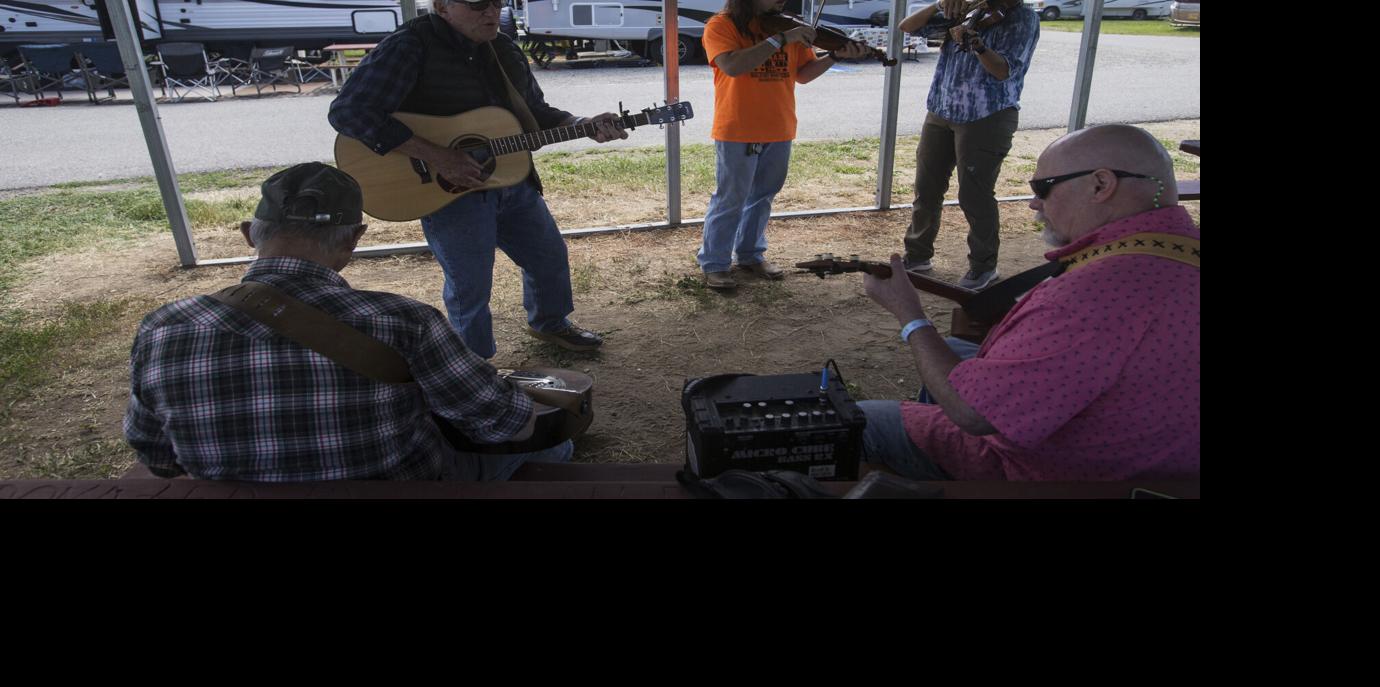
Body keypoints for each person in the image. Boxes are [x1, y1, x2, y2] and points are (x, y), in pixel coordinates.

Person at [124, 163, 574, 482]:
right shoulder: (404, 321)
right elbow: (503, 422)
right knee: (555, 447)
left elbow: (157, 456)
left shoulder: (163, 327)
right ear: (355, 239)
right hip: (400, 484)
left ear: (249, 234)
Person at [855, 124, 1199, 481]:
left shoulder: (1095, 295)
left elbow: (972, 412)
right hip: (1164, 451)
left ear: (1101, 184)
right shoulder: (1178, 250)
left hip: (1063, 472)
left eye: (1043, 188)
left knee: (859, 422)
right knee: (956, 347)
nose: (1035, 202)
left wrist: (910, 316)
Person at [328, 0, 627, 358]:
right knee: (470, 284)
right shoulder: (409, 46)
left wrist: (581, 125)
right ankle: (473, 361)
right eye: (477, 5)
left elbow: (533, 112)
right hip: (448, 191)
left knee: (547, 256)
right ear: (442, 7)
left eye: (497, 3)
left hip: (512, 179)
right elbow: (350, 112)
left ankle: (550, 323)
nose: (491, 12)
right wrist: (440, 156)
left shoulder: (503, 49)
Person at [696, 0, 871, 291]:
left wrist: (834, 57)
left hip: (779, 126)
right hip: (738, 127)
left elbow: (803, 74)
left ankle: (751, 254)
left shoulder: (790, 27)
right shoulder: (721, 25)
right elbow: (732, 65)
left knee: (763, 195)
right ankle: (715, 263)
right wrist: (780, 39)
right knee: (731, 198)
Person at [897, 0, 1039, 293]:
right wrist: (941, 4)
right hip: (941, 109)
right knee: (927, 188)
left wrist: (977, 45)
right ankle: (917, 256)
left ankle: (984, 266)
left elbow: (1004, 70)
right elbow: (907, 27)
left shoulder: (1022, 18)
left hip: (987, 114)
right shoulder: (968, 9)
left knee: (974, 194)